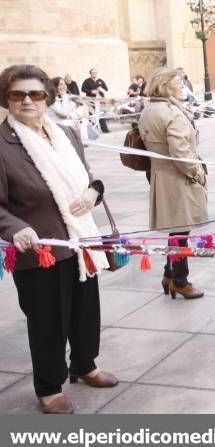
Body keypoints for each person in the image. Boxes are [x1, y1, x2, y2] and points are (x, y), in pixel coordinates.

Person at [0, 64, 118, 414]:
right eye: (17, 94)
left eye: (35, 94)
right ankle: (49, 386)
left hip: (81, 241)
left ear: (47, 98)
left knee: (85, 309)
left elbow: (90, 179)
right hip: (40, 250)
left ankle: (84, 364)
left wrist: (94, 193)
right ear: (7, 100)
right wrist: (14, 228)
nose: (27, 101)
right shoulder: (3, 145)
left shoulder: (66, 133)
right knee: (48, 320)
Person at [138, 69, 206, 299]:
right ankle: (180, 279)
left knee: (176, 230)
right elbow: (180, 152)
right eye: (178, 83)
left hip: (161, 174)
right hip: (177, 177)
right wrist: (196, 172)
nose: (182, 86)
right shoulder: (170, 113)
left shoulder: (149, 109)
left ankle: (169, 273)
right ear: (166, 86)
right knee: (180, 231)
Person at [81, 68, 110, 133]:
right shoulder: (87, 81)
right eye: (93, 72)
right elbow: (83, 89)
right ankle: (94, 130)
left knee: (101, 114)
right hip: (91, 100)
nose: (94, 74)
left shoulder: (100, 80)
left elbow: (106, 89)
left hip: (100, 100)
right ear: (90, 73)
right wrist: (91, 91)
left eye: (95, 72)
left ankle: (105, 129)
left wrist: (101, 88)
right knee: (92, 114)